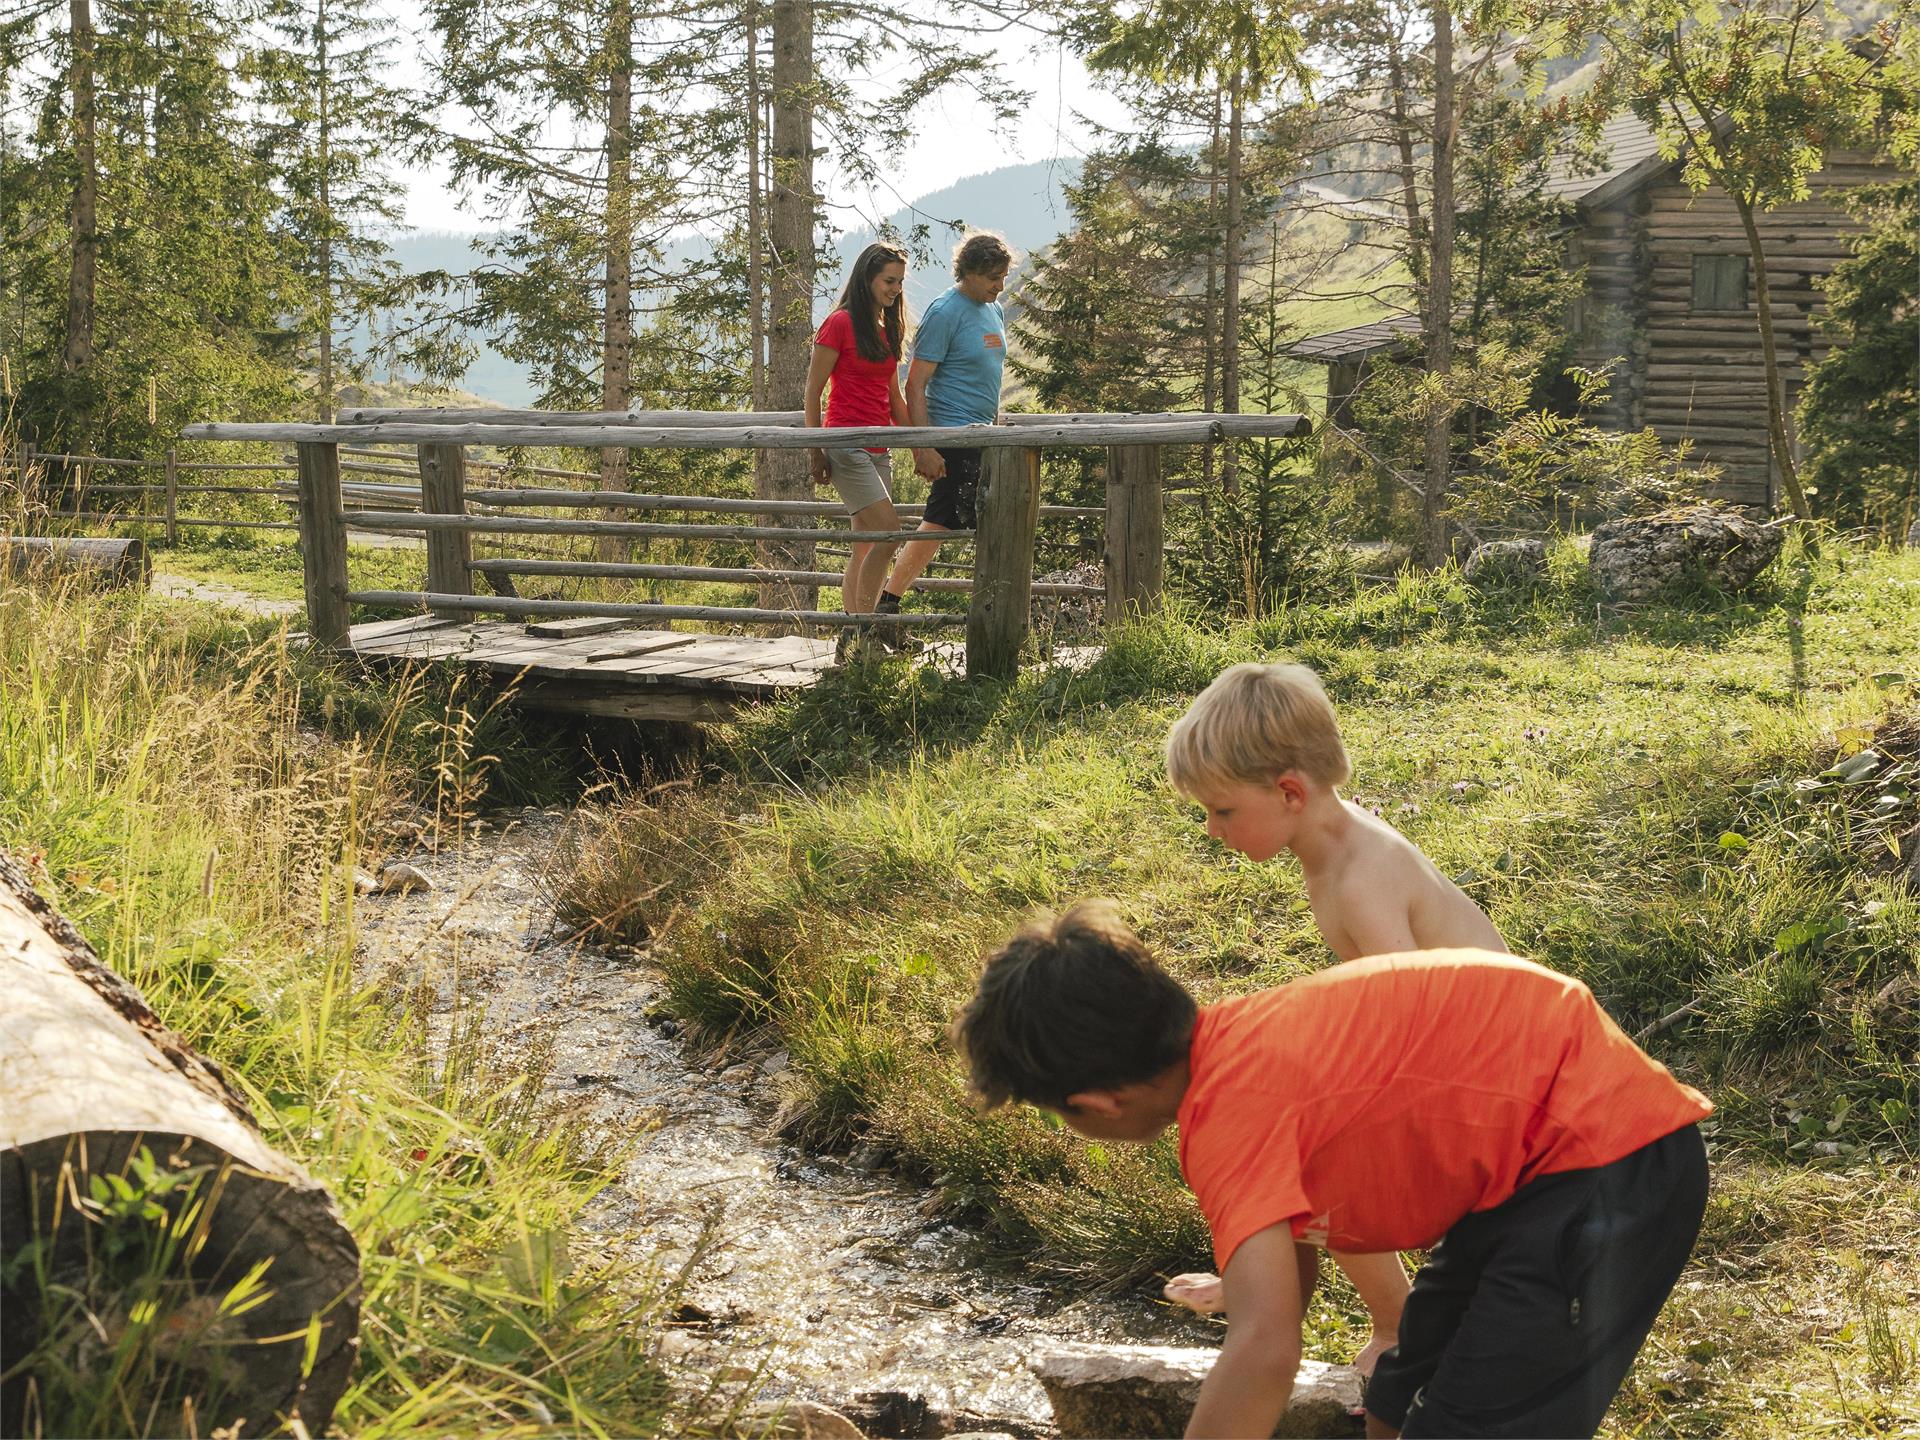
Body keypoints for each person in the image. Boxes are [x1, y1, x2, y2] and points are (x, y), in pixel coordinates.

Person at [950, 905, 1714, 1439]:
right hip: (1530, 1169)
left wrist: (1249, 1333)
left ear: (1097, 1102)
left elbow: (1267, 1346)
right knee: (1394, 1397)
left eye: (1057, 1115)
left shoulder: (1225, 1123)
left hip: (1604, 1165)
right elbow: (1285, 1287)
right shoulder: (1235, 1044)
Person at [1157, 660, 1511, 1357]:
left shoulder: (1360, 876)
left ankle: (1393, 1324)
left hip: (1494, 1081)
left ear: (1290, 791)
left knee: (1311, 1154)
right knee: (1297, 1125)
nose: (1211, 829)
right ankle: (1270, 1281)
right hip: (1466, 1061)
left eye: (1222, 810)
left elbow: (1414, 1009)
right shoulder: (1333, 850)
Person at [873, 232, 1014, 620]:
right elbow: (914, 383)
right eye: (992, 278)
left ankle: (893, 605)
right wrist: (925, 447)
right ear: (968, 272)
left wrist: (997, 427)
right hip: (951, 434)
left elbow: (989, 375)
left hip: (984, 434)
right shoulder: (945, 311)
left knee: (980, 520)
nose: (999, 286)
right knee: (939, 523)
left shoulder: (994, 310)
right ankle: (886, 608)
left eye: (1003, 277)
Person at [804, 242, 912, 658]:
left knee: (865, 544)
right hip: (845, 444)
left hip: (878, 447)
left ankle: (851, 641)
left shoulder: (885, 328)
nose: (895, 289)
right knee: (889, 535)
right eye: (889, 281)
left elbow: (895, 397)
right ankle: (866, 633)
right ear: (867, 277)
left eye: (900, 282)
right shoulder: (839, 323)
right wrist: (816, 450)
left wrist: (923, 447)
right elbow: (813, 392)